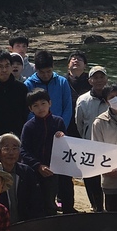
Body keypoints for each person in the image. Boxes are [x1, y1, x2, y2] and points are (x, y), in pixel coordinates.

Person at [25, 50, 75, 213]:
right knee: (45, 186)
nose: (46, 75)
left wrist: (60, 128)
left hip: (58, 129)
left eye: (49, 71)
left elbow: (68, 106)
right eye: (42, 72)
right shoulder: (28, 84)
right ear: (36, 70)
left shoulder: (62, 81)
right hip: (38, 134)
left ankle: (68, 209)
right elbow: (28, 110)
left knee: (65, 180)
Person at [21, 89, 67, 215]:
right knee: (34, 200)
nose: (40, 108)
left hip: (53, 170)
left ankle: (51, 221)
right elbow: (23, 150)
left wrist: (63, 137)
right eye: (35, 106)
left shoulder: (58, 122)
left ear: (50, 103)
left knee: (50, 200)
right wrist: (38, 166)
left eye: (43, 103)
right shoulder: (28, 126)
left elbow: (66, 147)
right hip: (34, 171)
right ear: (30, 109)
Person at [74, 65, 110, 212]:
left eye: (102, 77)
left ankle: (109, 206)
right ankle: (95, 206)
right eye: (95, 77)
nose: (99, 80)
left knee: (109, 178)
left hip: (109, 145)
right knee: (90, 178)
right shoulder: (82, 100)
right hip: (89, 145)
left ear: (106, 79)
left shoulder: (112, 98)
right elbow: (79, 124)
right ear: (90, 81)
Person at [0, 133, 44, 223]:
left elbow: (36, 201)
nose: (11, 153)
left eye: (15, 148)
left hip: (24, 225)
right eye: (6, 149)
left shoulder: (27, 172)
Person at [64, 51, 91, 138]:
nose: (76, 61)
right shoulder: (62, 81)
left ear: (85, 66)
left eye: (80, 59)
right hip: (68, 121)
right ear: (68, 65)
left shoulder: (91, 81)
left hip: (87, 121)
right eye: (73, 59)